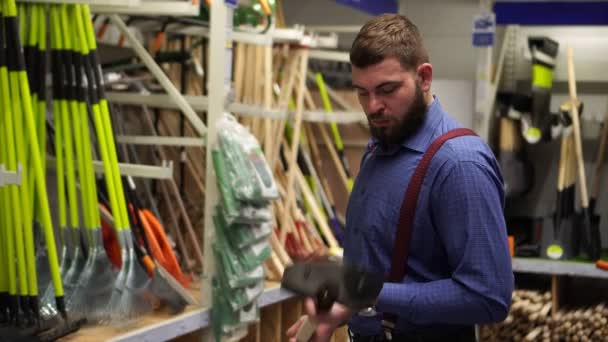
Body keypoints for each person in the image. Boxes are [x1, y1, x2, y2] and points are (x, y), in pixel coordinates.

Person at [286, 13, 514, 342]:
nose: (373, 106)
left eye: (387, 89)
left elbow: (488, 298)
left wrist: (370, 293)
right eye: (362, 92)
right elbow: (385, 267)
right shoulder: (379, 148)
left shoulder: (459, 164)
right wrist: (337, 311)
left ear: (424, 77)